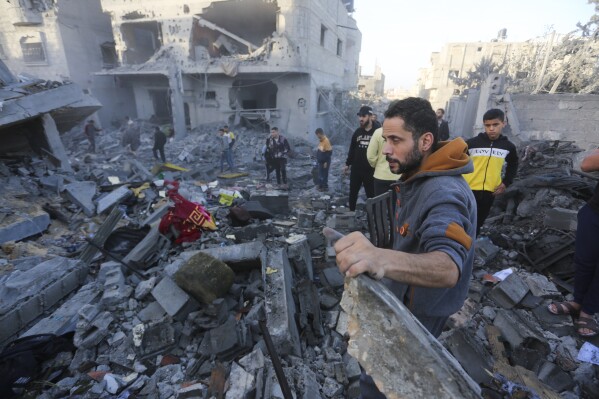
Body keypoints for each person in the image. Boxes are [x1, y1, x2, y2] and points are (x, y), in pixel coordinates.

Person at [334, 97, 476, 398]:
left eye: (396, 140)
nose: (386, 149)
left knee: (382, 377)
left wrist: (379, 258)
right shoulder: (419, 174)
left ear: (426, 141)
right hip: (406, 298)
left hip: (418, 310)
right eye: (386, 139)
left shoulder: (443, 192)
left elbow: (447, 267)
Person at [547, 149, 599, 337]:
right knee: (584, 260)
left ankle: (588, 311)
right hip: (595, 212)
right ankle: (577, 303)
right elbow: (587, 165)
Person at [463, 109, 518, 235]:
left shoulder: (508, 146)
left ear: (503, 124)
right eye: (488, 125)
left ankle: (469, 250)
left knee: (478, 223)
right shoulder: (471, 144)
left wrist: (506, 182)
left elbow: (513, 164)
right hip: (468, 190)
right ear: (484, 125)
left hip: (489, 192)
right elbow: (457, 163)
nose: (491, 128)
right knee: (463, 221)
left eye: (495, 125)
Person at [344, 105, 376, 210]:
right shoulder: (357, 132)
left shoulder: (378, 132)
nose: (361, 119)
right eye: (359, 116)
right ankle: (351, 214)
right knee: (353, 193)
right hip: (356, 170)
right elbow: (352, 149)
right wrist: (347, 164)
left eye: (364, 116)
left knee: (371, 195)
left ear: (371, 116)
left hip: (371, 171)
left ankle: (373, 218)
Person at [367, 126, 398, 196]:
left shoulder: (378, 132)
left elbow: (370, 156)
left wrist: (377, 166)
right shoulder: (401, 131)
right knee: (398, 205)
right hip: (398, 176)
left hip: (381, 176)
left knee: (380, 205)